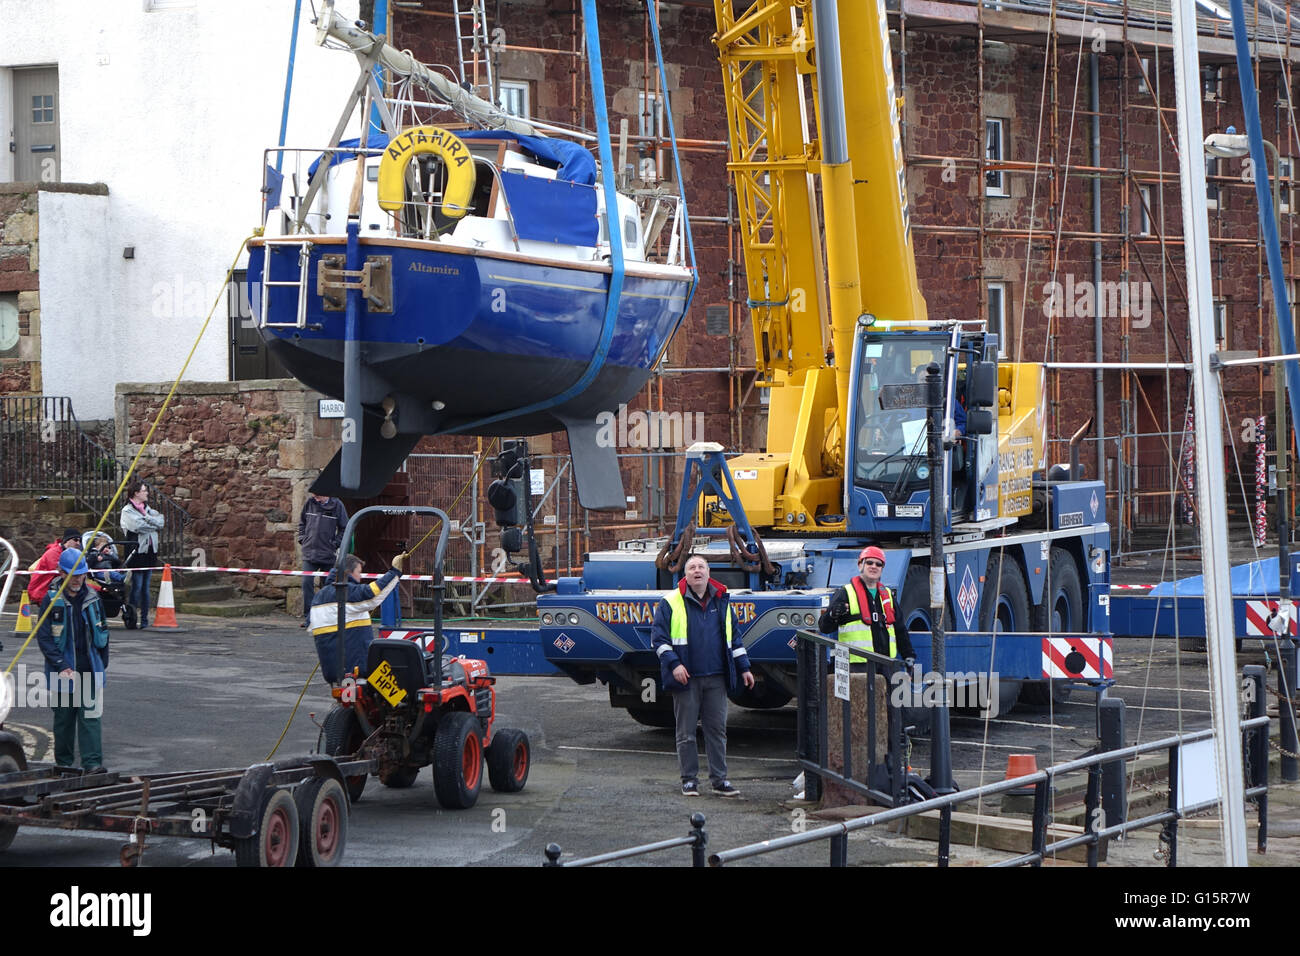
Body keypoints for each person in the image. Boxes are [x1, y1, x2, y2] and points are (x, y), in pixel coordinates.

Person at [650, 554, 754, 798]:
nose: (697, 571)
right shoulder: (671, 602)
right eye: (692, 567)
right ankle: (689, 781)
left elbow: (734, 639)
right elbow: (659, 640)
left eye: (701, 567)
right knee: (685, 733)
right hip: (687, 678)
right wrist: (674, 665)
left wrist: (745, 667)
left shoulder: (722, 602)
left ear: (709, 573)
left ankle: (720, 781)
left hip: (716, 677)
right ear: (684, 575)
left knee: (717, 731)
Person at [34, 548, 110, 773]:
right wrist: (60, 665)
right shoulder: (51, 599)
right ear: (60, 572)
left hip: (89, 668)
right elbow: (44, 636)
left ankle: (92, 764)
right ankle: (64, 764)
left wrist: (102, 664)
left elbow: (104, 632)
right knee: (64, 721)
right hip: (62, 671)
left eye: (81, 574)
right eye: (73, 574)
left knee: (91, 718)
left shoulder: (94, 598)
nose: (78, 579)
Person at [308, 552, 406, 685]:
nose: (360, 577)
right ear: (348, 572)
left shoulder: (318, 598)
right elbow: (372, 594)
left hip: (334, 672)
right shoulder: (344, 592)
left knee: (351, 703)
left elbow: (309, 625)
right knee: (400, 690)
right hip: (358, 668)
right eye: (359, 572)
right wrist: (395, 572)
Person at [818, 545, 915, 666]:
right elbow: (824, 627)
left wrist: (908, 655)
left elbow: (900, 629)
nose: (874, 566)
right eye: (869, 562)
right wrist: (833, 614)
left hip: (886, 665)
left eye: (878, 564)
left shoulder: (888, 595)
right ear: (860, 565)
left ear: (882, 569)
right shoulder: (845, 593)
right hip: (856, 666)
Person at [298, 490, 350, 628]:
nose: (316, 499)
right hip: (309, 553)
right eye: (314, 496)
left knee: (327, 587)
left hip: (328, 554)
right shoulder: (310, 503)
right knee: (306, 583)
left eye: (318, 496)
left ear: (326, 493)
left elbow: (345, 528)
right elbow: (302, 522)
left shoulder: (338, 505)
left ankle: (326, 618)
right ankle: (309, 618)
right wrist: (302, 539)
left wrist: (335, 544)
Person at [120, 480, 165, 630]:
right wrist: (151, 522)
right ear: (136, 493)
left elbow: (161, 522)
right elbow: (137, 526)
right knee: (137, 586)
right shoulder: (127, 511)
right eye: (144, 490)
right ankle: (132, 617)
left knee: (146, 587)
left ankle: (145, 619)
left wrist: (148, 519)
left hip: (150, 552)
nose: (147, 493)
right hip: (137, 552)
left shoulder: (148, 509)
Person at [27, 527, 82, 605]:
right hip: (44, 592)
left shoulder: (69, 553)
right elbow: (62, 573)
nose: (78, 543)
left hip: (56, 591)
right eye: (75, 540)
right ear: (67, 540)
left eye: (80, 541)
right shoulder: (53, 553)